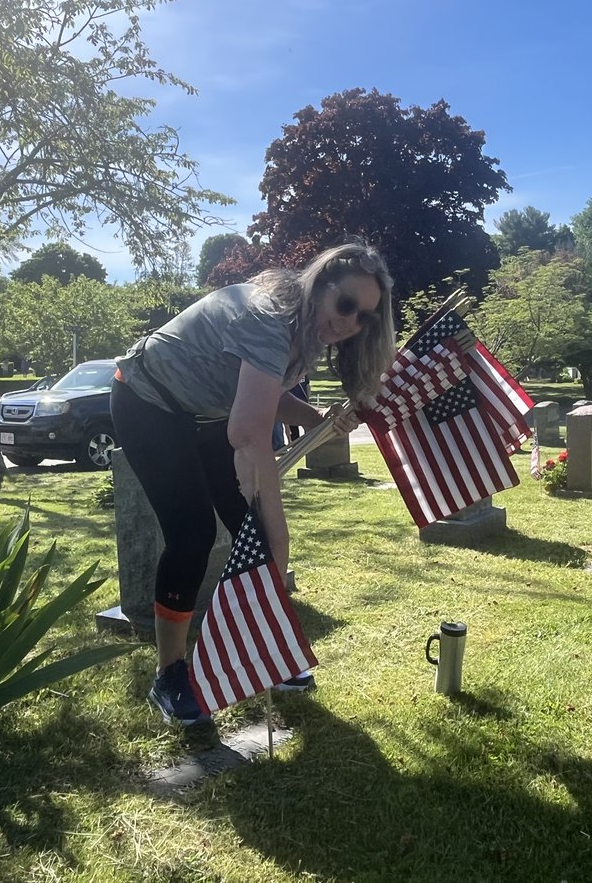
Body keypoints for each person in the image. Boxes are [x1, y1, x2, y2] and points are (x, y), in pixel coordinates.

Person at [111, 242, 397, 724]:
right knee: (193, 533)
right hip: (147, 401)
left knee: (254, 537)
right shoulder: (272, 316)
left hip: (203, 414)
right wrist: (281, 531)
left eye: (366, 317)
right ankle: (170, 675)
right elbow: (247, 431)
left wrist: (316, 418)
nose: (351, 322)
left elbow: (261, 394)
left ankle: (261, 657)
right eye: (347, 304)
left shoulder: (308, 330)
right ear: (320, 285)